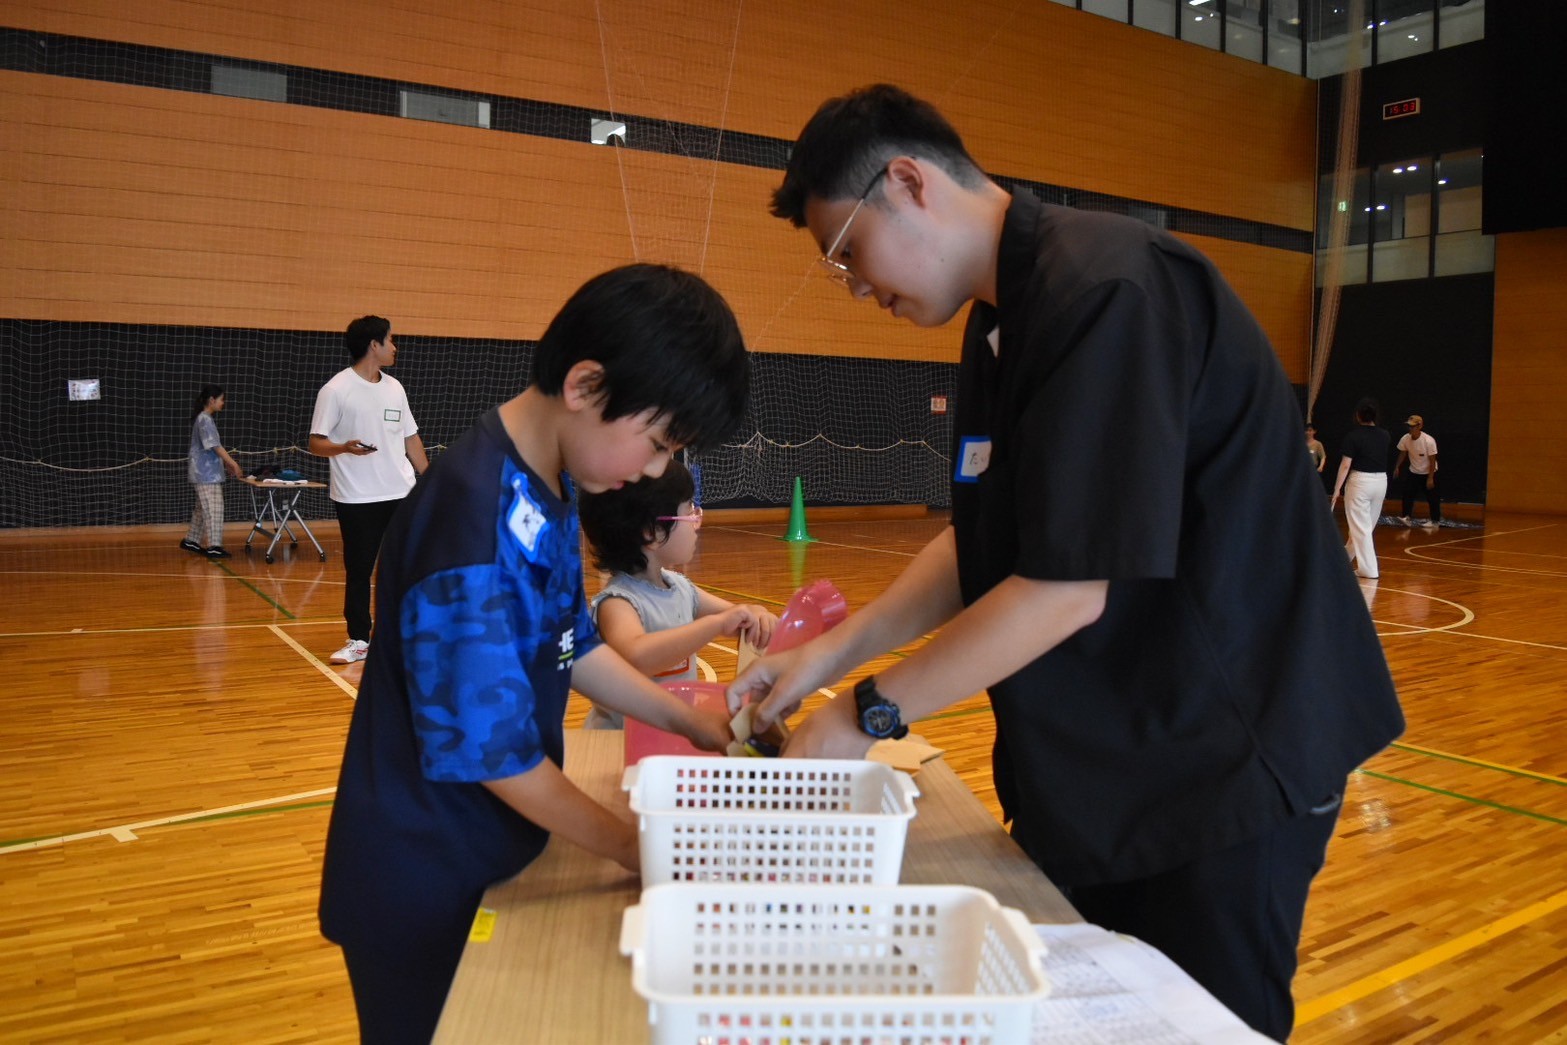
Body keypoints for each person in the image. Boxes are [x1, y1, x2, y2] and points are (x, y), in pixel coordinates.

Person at [730, 84, 1403, 1042]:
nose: (857, 288)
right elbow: (986, 539)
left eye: (846, 255)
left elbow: (1064, 588)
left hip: (1224, 767)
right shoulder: (1001, 321)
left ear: (909, 182)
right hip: (1128, 764)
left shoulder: (1107, 288)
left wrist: (867, 710)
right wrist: (827, 656)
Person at [317, 263, 748, 1044]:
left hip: (480, 854)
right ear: (586, 385)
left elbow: (569, 640)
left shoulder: (541, 484)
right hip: (421, 881)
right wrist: (634, 848)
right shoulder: (471, 519)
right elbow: (496, 755)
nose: (653, 472)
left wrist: (689, 723)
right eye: (655, 443)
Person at [577, 458, 777, 728]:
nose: (697, 522)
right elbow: (636, 657)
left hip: (669, 731)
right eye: (689, 512)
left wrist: (756, 613)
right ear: (653, 533)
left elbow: (735, 616)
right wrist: (714, 624)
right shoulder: (618, 602)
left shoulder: (681, 588)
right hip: (619, 741)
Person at [309, 316, 429, 664]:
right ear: (373, 345)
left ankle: (406, 632)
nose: (395, 347)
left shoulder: (395, 388)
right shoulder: (336, 390)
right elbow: (316, 443)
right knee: (359, 569)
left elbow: (410, 437)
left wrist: (430, 478)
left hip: (401, 493)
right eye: (391, 340)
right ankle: (359, 639)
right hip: (357, 497)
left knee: (408, 565)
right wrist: (344, 447)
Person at [1331, 399, 1392, 579]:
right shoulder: (1385, 435)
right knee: (1363, 527)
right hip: (1381, 482)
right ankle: (1340, 561)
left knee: (1361, 528)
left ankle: (1369, 569)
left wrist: (1336, 489)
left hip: (1360, 482)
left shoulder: (1353, 436)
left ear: (1358, 416)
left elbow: (1345, 465)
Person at [181, 384, 243, 559]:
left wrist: (227, 465)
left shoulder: (204, 419)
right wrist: (233, 464)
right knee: (214, 508)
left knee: (202, 508)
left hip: (206, 472)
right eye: (222, 399)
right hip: (205, 474)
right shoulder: (205, 420)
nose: (223, 403)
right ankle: (214, 546)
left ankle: (191, 540)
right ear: (212, 400)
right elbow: (215, 446)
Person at [1393, 414, 1440, 527]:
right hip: (1413, 472)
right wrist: (1397, 467)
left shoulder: (1428, 441)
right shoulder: (1405, 439)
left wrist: (1430, 478)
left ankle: (1435, 521)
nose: (1410, 428)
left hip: (1428, 472)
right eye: (1409, 426)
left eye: (1413, 426)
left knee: (1432, 498)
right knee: (1407, 494)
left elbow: (1432, 461)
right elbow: (1403, 453)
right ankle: (1406, 518)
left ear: (1419, 426)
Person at [1306, 423, 1327, 488]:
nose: (1308, 432)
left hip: (1313, 468)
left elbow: (1323, 456)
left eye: (1310, 430)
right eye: (1306, 430)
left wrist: (1321, 466)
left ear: (1314, 431)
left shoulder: (1317, 444)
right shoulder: (1301, 443)